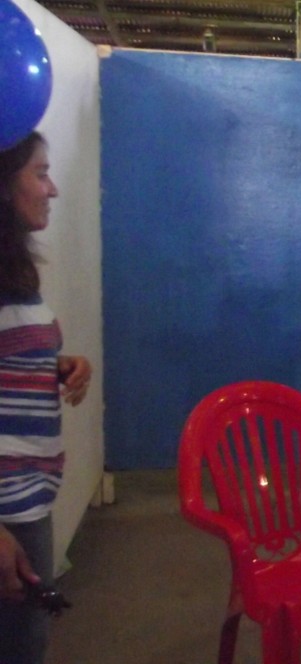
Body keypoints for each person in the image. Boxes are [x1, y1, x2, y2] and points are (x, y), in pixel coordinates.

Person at [1, 132, 93, 664]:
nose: (52, 188)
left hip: (25, 499)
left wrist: (53, 363)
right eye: (39, 173)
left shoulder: (17, 277)